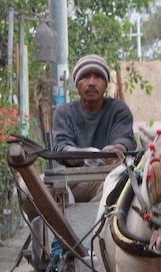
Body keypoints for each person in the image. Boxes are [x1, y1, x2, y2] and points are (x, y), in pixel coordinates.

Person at [51, 54, 136, 202]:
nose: (91, 82)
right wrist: (82, 154)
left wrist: (116, 148)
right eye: (85, 77)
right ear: (77, 84)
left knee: (118, 186)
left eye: (98, 77)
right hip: (73, 181)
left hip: (107, 178)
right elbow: (62, 146)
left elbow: (124, 139)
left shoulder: (118, 110)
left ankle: (95, 221)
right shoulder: (63, 112)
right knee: (32, 188)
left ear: (106, 83)